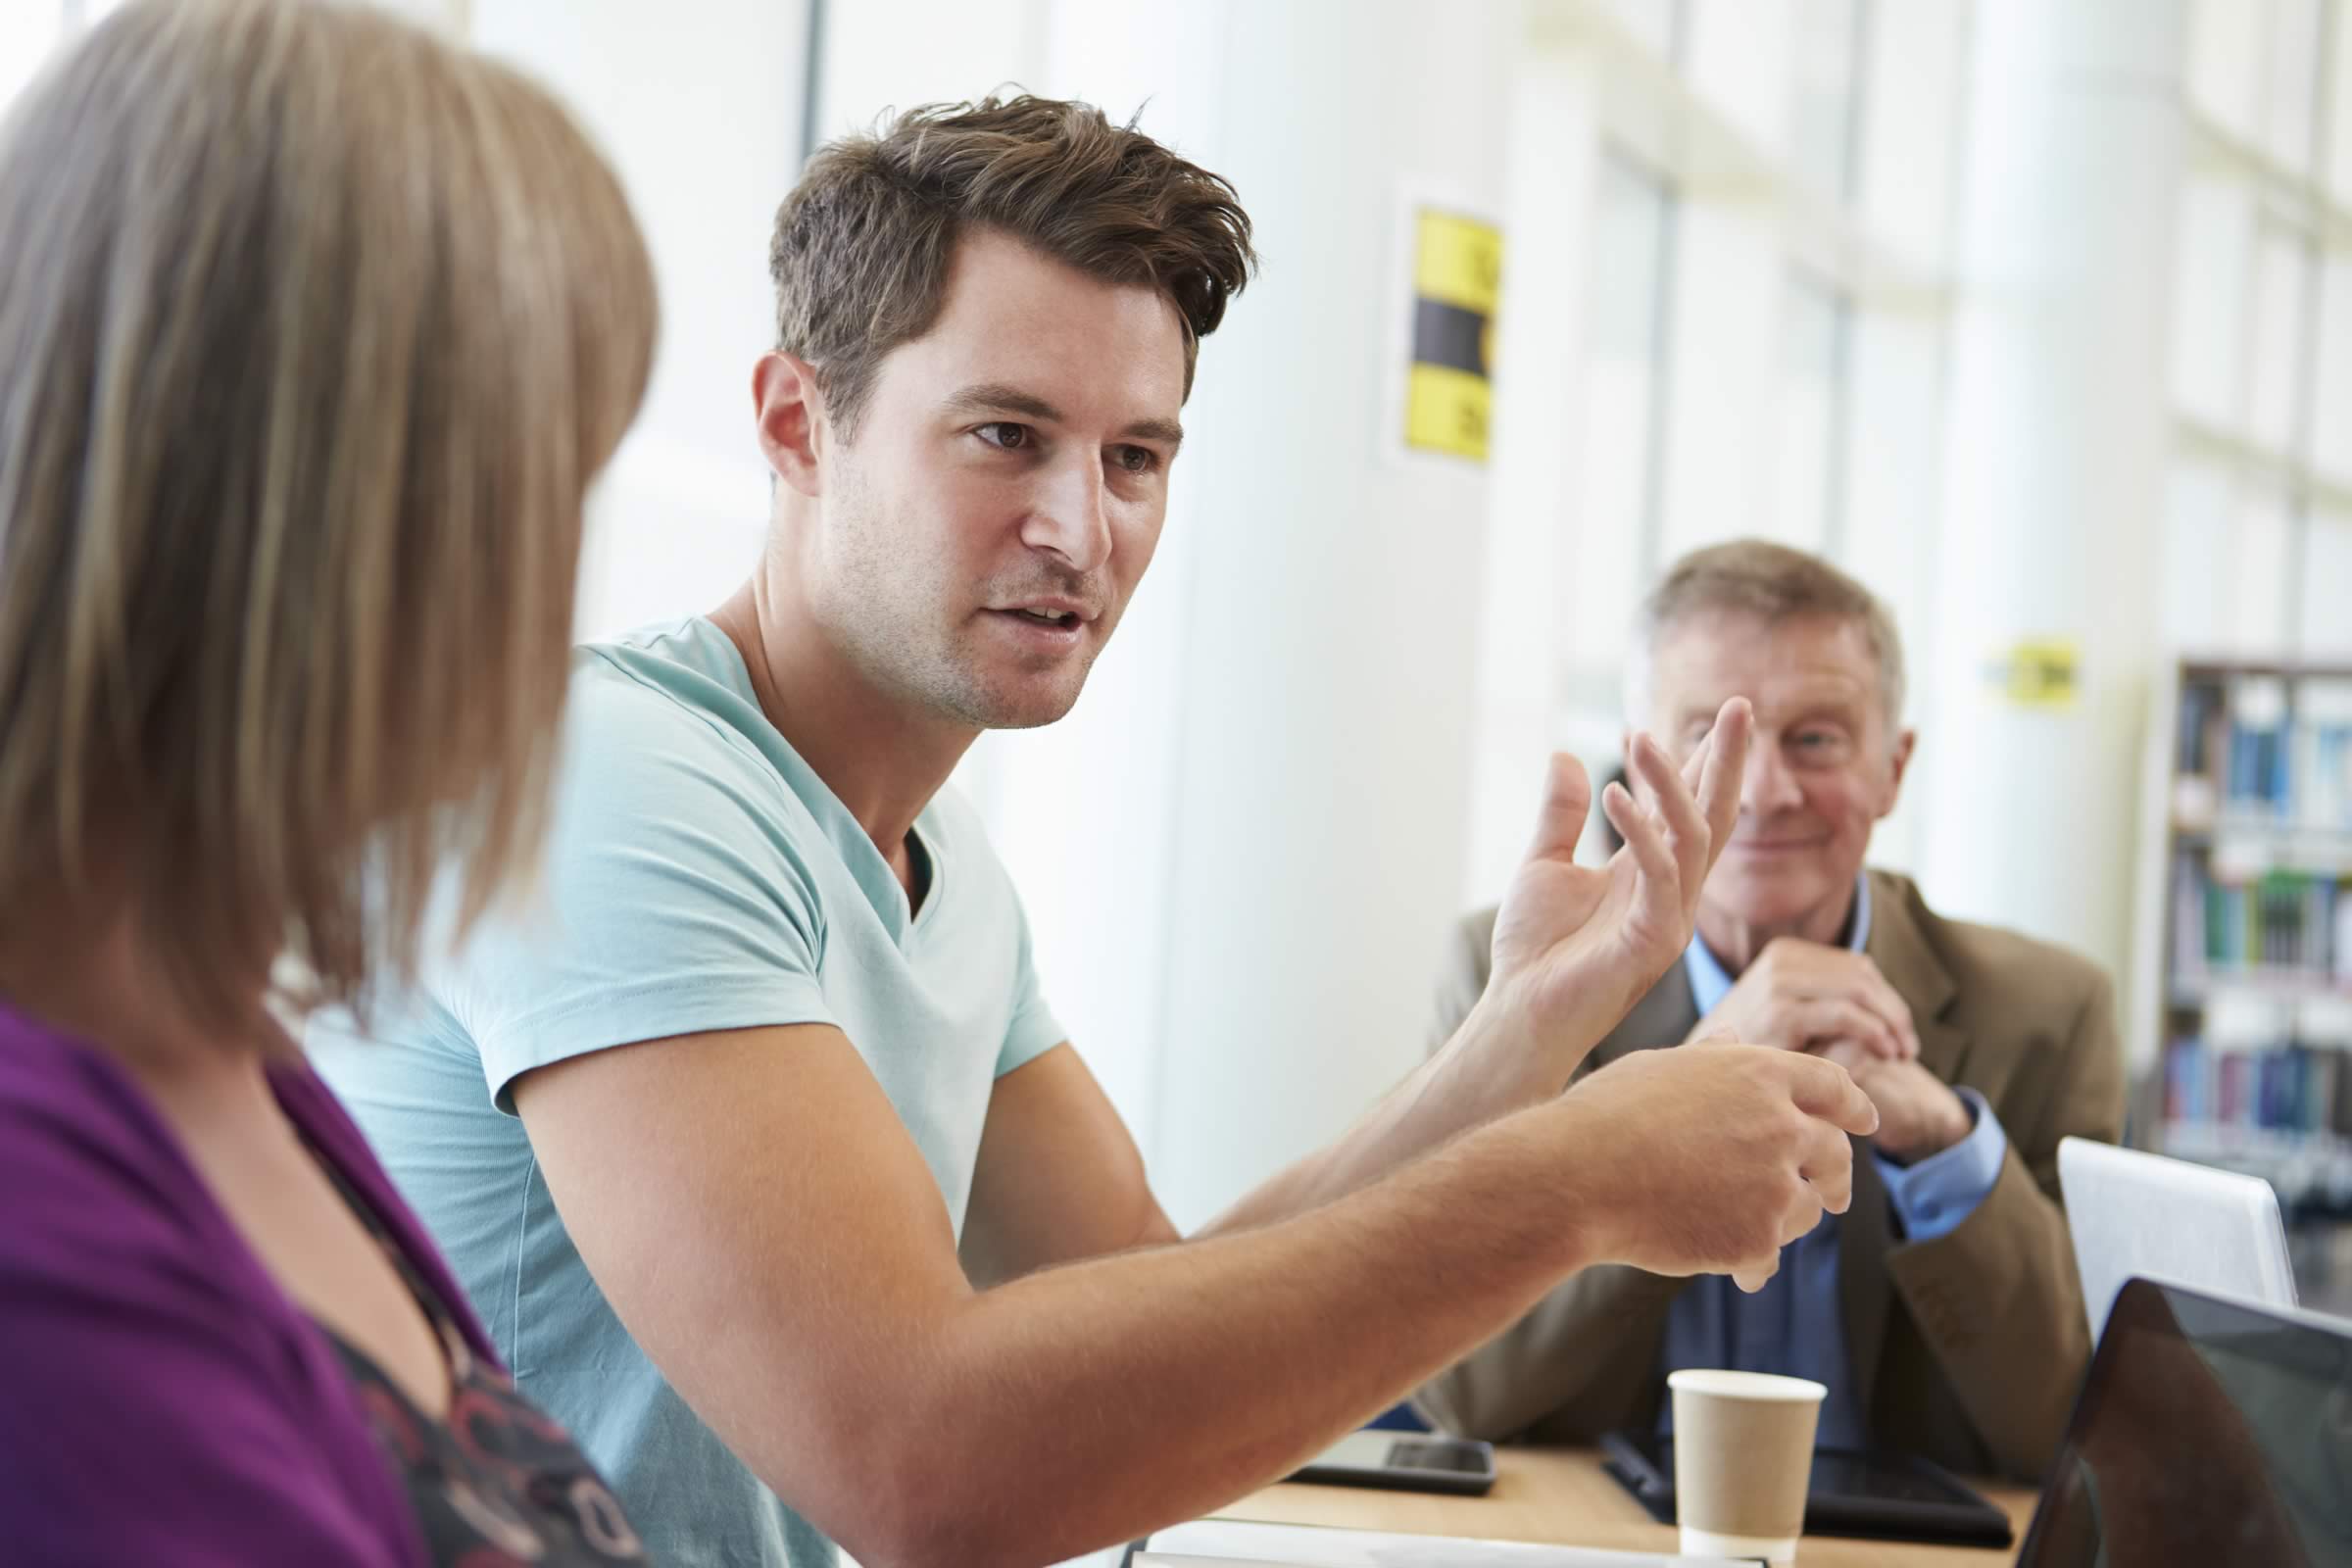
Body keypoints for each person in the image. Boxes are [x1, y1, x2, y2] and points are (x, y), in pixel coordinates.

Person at [316, 98, 1879, 1568]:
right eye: (1007, 435)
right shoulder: (619, 785)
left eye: (1137, 457)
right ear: (798, 424)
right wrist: (1571, 1185)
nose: (1083, 529)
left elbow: (1143, 1289)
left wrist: (1522, 1037)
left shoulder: (945, 868)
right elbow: (924, 1464)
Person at [0, 3, 662, 1562]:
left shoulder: (229, 1049)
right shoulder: (39, 1208)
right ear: (321, 529)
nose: (553, 589)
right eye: (536, 494)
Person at [1413, 539, 2126, 1483]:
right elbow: (1461, 1388)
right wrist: (1676, 1100)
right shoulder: (1517, 976)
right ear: (1641, 757)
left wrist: (1946, 1144)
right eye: (1714, 740)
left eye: (1817, 740)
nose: (1766, 792)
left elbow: (2075, 1427)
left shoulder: (2048, 1015)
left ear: (1894, 768)